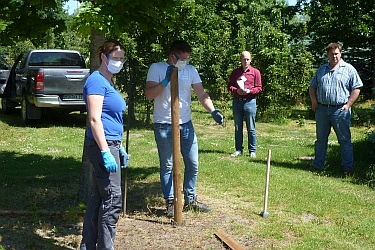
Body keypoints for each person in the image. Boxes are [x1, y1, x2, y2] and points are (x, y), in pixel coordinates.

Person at [145, 40, 224, 218]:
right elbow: (149, 94)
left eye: (188, 59)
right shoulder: (156, 68)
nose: (185, 62)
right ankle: (171, 201)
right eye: (182, 59)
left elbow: (201, 93)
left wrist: (212, 109)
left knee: (193, 163)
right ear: (172, 56)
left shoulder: (191, 71)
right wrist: (165, 80)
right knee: (168, 165)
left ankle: (190, 198)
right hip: (164, 124)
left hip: (185, 123)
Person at [80, 40, 128, 250]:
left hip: (110, 143)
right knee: (112, 199)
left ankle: (88, 246)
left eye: (121, 59)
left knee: (99, 197)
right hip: (103, 145)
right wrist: (106, 151)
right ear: (103, 57)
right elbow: (94, 119)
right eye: (115, 58)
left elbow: (110, 117)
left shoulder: (108, 82)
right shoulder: (97, 81)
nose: (119, 62)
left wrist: (119, 147)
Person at [309, 42, 363, 176]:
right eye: (332, 54)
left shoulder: (349, 69)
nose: (335, 57)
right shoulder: (322, 69)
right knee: (321, 140)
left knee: (344, 140)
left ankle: (347, 168)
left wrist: (348, 104)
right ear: (327, 55)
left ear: (341, 53)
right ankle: (317, 165)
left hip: (340, 110)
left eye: (337, 54)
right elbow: (312, 86)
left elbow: (357, 88)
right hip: (322, 110)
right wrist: (314, 101)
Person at [228, 51, 262, 158]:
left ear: (251, 60)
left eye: (247, 59)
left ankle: (252, 150)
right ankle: (238, 149)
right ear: (240, 60)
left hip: (250, 102)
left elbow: (259, 88)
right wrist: (236, 91)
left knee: (251, 128)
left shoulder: (255, 72)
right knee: (238, 128)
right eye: (244, 59)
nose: (245, 61)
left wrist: (250, 91)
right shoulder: (235, 72)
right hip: (237, 102)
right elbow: (230, 86)